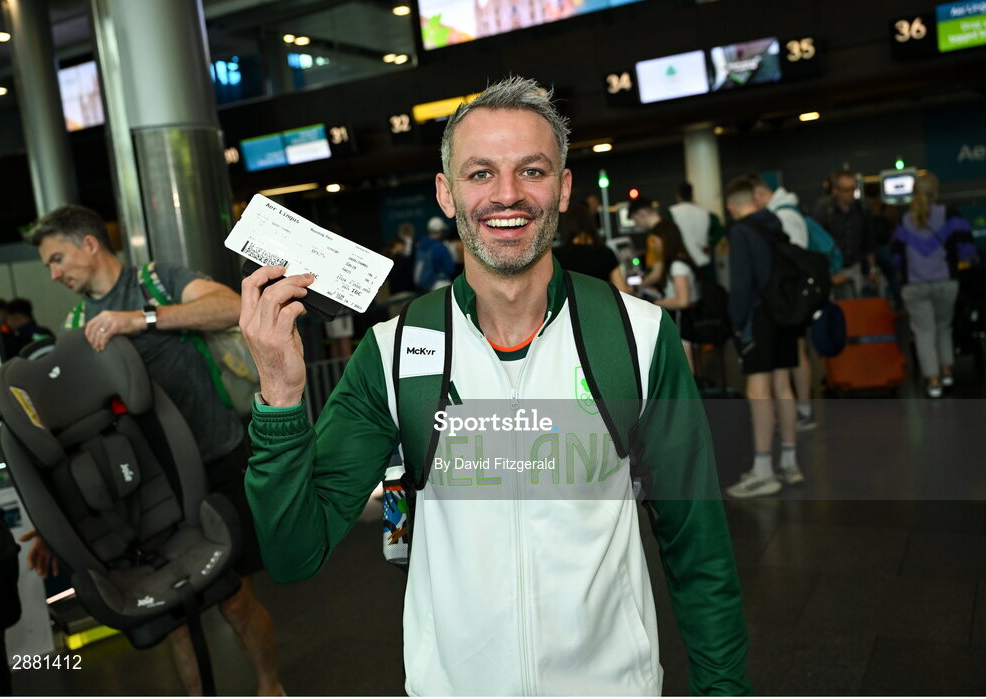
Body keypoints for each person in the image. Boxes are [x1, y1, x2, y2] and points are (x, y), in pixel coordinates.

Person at [241, 76, 750, 695]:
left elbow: (698, 547)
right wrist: (280, 398)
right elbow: (294, 553)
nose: (506, 194)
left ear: (562, 189)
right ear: (447, 193)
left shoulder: (638, 337)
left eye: (531, 170)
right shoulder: (393, 352)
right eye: (480, 173)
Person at [24, 205, 284, 696]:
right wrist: (51, 522)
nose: (54, 273)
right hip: (153, 491)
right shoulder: (76, 325)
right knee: (172, 616)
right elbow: (75, 435)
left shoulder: (157, 280)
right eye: (48, 266)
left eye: (57, 258)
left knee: (235, 599)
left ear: (89, 244)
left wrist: (139, 319)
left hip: (216, 459)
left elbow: (231, 306)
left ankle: (270, 687)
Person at [724, 176, 802, 497]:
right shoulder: (775, 224)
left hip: (758, 317)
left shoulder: (741, 232)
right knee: (783, 385)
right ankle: (790, 462)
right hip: (784, 315)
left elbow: (742, 285)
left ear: (731, 206)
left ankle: (763, 470)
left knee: (758, 389)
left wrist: (737, 323)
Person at [891, 173, 976, 397]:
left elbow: (896, 258)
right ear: (936, 192)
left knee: (923, 333)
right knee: (943, 328)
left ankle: (933, 381)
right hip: (945, 283)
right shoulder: (949, 215)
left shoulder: (904, 221)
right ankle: (947, 372)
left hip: (915, 286)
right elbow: (967, 249)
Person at [749, 175, 816, 431]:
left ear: (760, 195)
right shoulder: (787, 212)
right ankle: (801, 410)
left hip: (791, 297)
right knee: (794, 353)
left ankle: (803, 411)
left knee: (795, 355)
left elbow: (794, 257)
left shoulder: (784, 216)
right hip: (793, 295)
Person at [646, 219, 700, 372]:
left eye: (655, 241)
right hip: (686, 317)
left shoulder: (677, 266)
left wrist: (657, 302)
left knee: (686, 368)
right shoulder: (680, 260)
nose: (653, 246)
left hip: (682, 319)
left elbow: (682, 301)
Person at [814, 169, 877, 299]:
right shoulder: (824, 210)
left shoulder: (862, 209)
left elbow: (868, 242)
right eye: (846, 190)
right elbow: (816, 244)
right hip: (831, 269)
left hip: (854, 266)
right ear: (836, 190)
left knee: (854, 309)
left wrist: (872, 269)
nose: (851, 194)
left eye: (853, 189)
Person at [553, 202, 631, 292]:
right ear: (592, 224)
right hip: (602, 304)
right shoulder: (606, 253)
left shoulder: (557, 256)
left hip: (571, 305)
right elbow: (622, 290)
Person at [627, 197, 683, 290]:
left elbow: (657, 273)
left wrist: (636, 287)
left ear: (642, 214)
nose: (636, 224)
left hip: (669, 288)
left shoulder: (656, 236)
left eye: (635, 219)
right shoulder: (670, 226)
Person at [668, 182, 713, 275]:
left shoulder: (672, 212)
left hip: (682, 261)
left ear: (678, 196)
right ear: (692, 195)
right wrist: (710, 243)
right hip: (702, 259)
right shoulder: (705, 213)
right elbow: (719, 230)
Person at [413, 216, 456, 291]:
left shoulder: (420, 245)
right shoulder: (441, 247)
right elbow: (450, 269)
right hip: (441, 284)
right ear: (440, 231)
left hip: (426, 286)